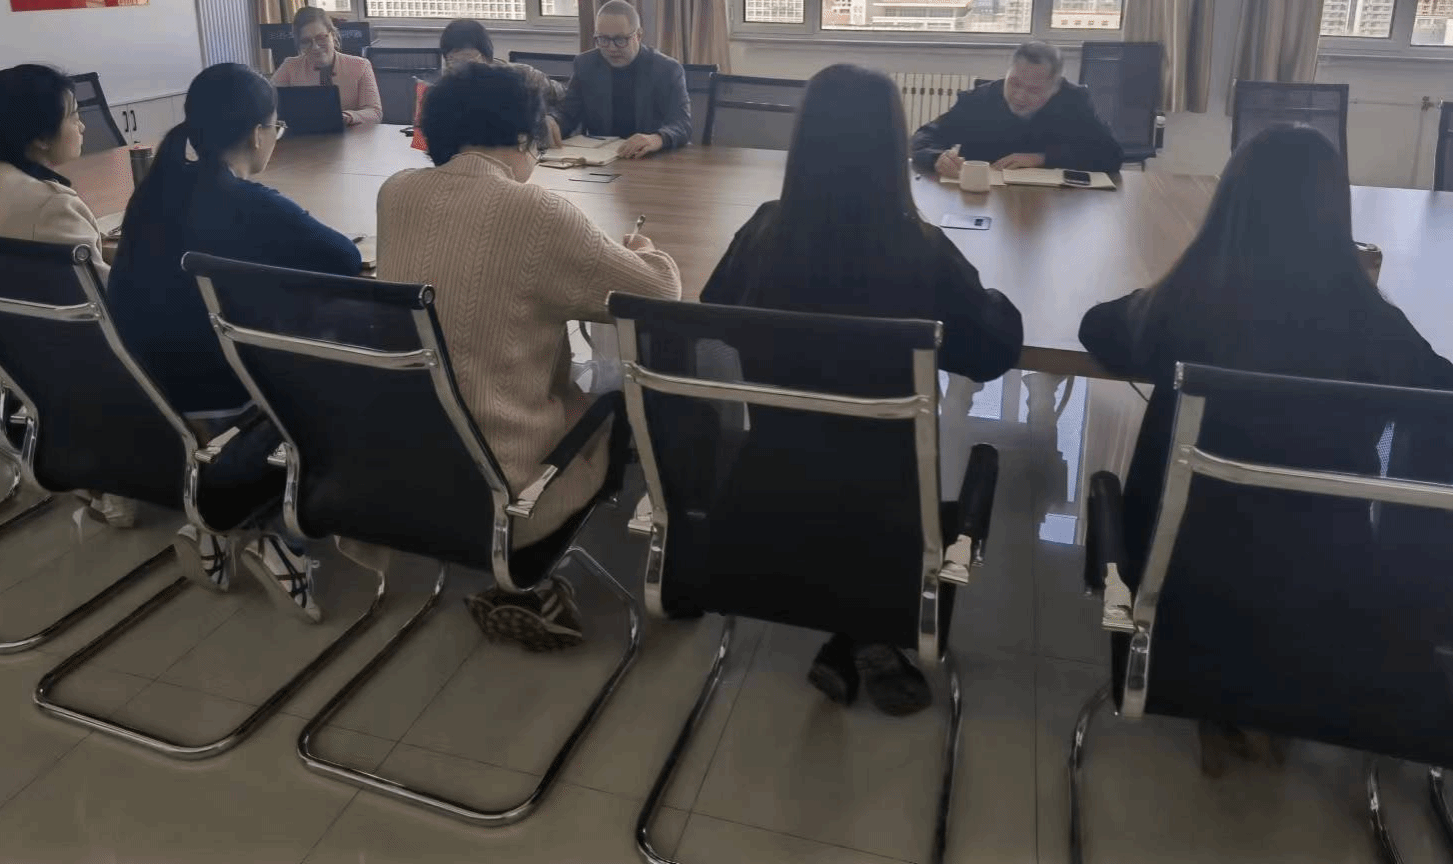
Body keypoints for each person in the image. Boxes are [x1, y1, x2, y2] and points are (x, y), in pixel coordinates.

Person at [1079, 124, 1453, 773]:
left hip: (1179, 570)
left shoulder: (1187, 303)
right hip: (1322, 576)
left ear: (1228, 206)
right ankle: (1270, 697)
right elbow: (1452, 401)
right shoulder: (1370, 321)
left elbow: (1098, 327)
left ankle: (1222, 695)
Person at [701, 63, 1023, 716]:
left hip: (777, 477)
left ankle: (849, 628)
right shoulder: (922, 249)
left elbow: (717, 313)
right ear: (890, 147)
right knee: (867, 475)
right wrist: (996, 299)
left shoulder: (763, 230)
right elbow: (992, 352)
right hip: (888, 499)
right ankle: (866, 626)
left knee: (830, 470)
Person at [377, 61, 681, 648]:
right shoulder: (535, 211)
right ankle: (544, 566)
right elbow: (658, 294)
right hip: (508, 483)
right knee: (616, 390)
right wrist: (645, 249)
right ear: (522, 138)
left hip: (403, 461)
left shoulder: (396, 192)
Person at [112, 63, 363, 621]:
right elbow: (344, 259)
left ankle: (216, 522)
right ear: (257, 133)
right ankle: (283, 537)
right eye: (277, 127)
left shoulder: (152, 192)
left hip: (146, 388)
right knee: (345, 373)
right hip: (223, 391)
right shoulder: (250, 202)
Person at [0, 63, 126, 518]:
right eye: (74, 116)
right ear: (40, 138)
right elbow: (109, 302)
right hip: (64, 359)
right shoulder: (49, 202)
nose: (82, 126)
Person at [911, 41, 1123, 177]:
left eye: (1033, 90)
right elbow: (923, 137)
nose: (1020, 96)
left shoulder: (1073, 101)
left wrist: (1041, 158)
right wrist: (937, 158)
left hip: (1050, 205)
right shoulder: (979, 100)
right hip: (984, 203)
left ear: (1055, 87)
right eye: (1014, 83)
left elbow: (1110, 155)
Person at [549, 0, 689, 157]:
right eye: (603, 39)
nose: (611, 48)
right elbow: (568, 113)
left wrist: (657, 138)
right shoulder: (586, 65)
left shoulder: (667, 69)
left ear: (638, 35)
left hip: (649, 159)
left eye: (620, 40)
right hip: (599, 159)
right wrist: (553, 121)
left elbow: (682, 124)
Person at [271, 6, 382, 127]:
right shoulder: (290, 67)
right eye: (306, 41)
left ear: (332, 36)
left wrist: (347, 117)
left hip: (350, 135)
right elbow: (267, 105)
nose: (315, 47)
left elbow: (375, 113)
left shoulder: (361, 66)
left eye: (321, 38)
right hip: (304, 136)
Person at [439, 17, 565, 107]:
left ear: (486, 57)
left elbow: (568, 101)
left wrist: (552, 119)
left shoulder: (524, 76)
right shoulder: (445, 91)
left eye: (468, 59)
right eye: (453, 61)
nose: (462, 68)